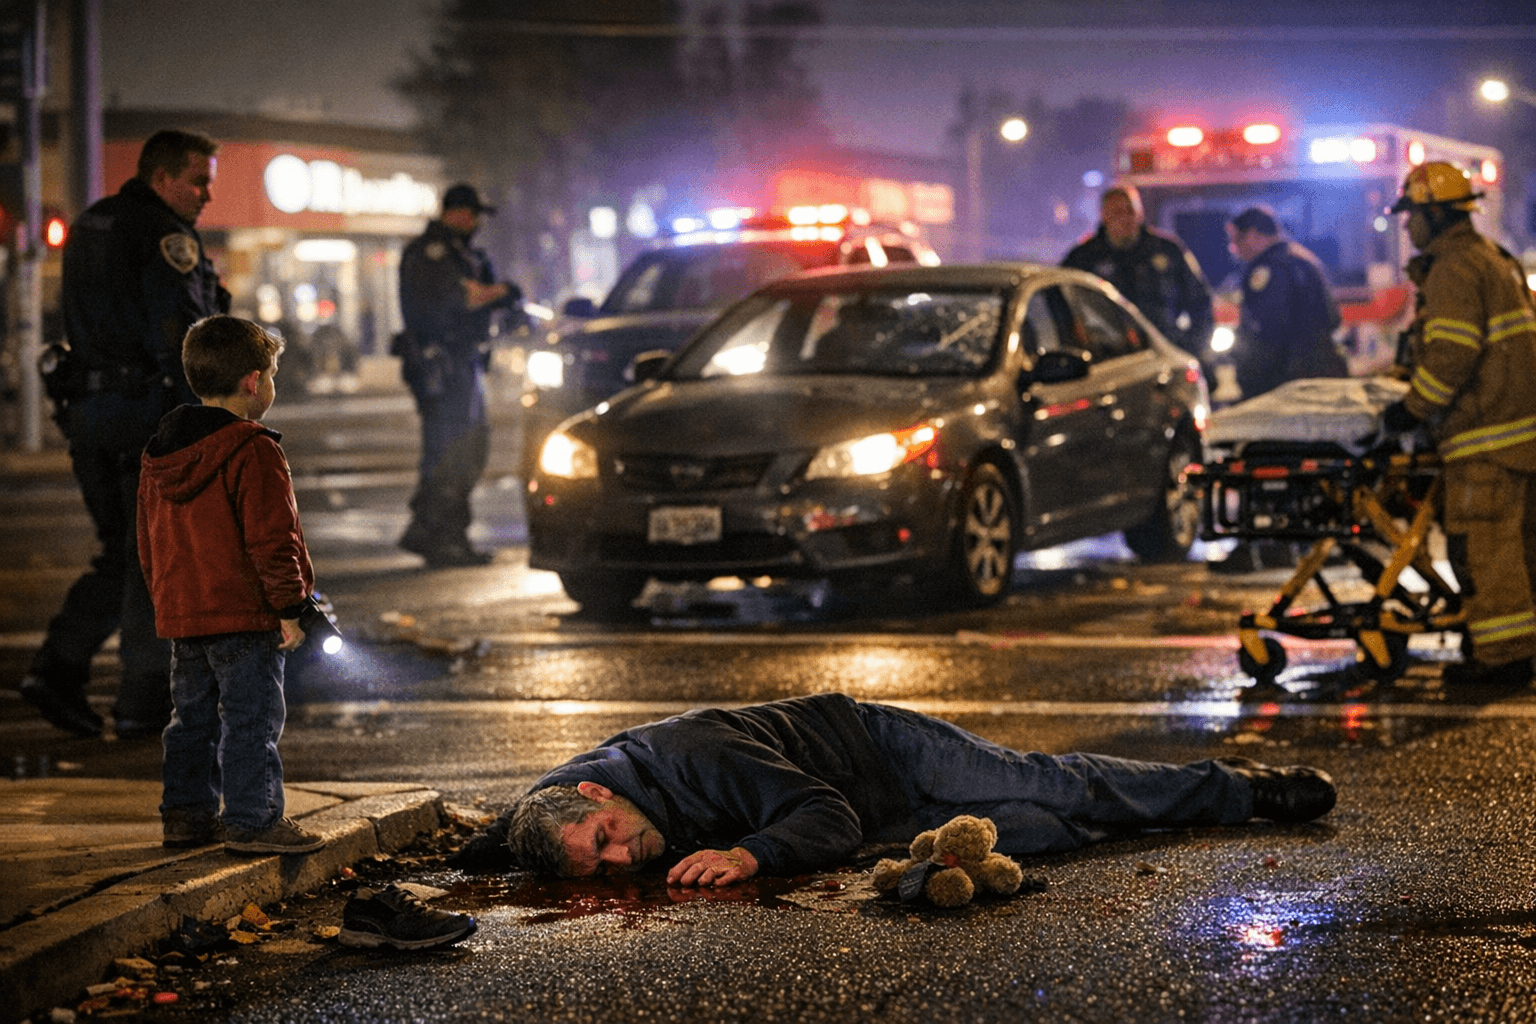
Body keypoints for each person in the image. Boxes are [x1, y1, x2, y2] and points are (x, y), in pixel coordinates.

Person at [456, 693, 1336, 885]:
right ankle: (1144, 816)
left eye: (607, 841)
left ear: (601, 798)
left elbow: (822, 814)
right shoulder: (563, 808)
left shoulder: (693, 753)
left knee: (1055, 786)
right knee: (1046, 831)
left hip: (884, 753)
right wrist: (462, 860)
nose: (621, 859)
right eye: (599, 868)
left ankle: (1240, 790)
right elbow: (508, 831)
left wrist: (749, 854)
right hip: (885, 817)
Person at [21, 129, 230, 739]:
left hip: (91, 416)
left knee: (123, 553)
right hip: (146, 417)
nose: (206, 195)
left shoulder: (93, 223)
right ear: (162, 178)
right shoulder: (165, 236)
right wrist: (207, 420)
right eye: (198, 182)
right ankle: (144, 700)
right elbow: (184, 339)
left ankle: (57, 669)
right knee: (154, 561)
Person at [137, 315, 327, 855]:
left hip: (185, 614)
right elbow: (273, 539)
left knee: (190, 720)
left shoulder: (161, 452)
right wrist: (290, 607)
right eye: (272, 376)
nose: (272, 386)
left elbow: (147, 540)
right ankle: (253, 819)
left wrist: (166, 602)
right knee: (251, 718)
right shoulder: (253, 449)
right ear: (252, 381)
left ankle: (186, 816)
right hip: (244, 614)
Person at [1381, 161, 1536, 688]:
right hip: (1518, 436)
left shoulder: (1454, 268)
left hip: (1484, 440)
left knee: (1486, 551)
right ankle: (1516, 649)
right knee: (1519, 551)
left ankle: (1503, 658)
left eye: (1412, 215)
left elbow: (1451, 354)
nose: (1407, 226)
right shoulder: (1493, 258)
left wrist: (1411, 409)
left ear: (1435, 215)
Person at [395, 182, 521, 568]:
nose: (478, 222)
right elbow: (460, 298)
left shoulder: (462, 253)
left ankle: (426, 529)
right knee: (453, 450)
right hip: (442, 363)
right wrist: (500, 292)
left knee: (466, 447)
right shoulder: (432, 253)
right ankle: (445, 538)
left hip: (463, 361)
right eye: (475, 214)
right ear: (459, 213)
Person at [1062, 185, 1215, 353]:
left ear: (1140, 213)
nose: (1125, 218)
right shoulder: (1084, 258)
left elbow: (1200, 300)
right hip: (1108, 355)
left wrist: (1194, 347)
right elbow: (1058, 301)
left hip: (1165, 349)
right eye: (1117, 212)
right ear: (1104, 215)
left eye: (1130, 211)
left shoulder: (1167, 250)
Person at [1225, 206, 1348, 402]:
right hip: (1321, 369)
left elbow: (1267, 330)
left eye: (1236, 239)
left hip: (1286, 379)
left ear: (1253, 235)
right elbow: (1333, 318)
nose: (1233, 248)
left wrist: (1251, 377)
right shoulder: (1303, 258)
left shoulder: (1268, 268)